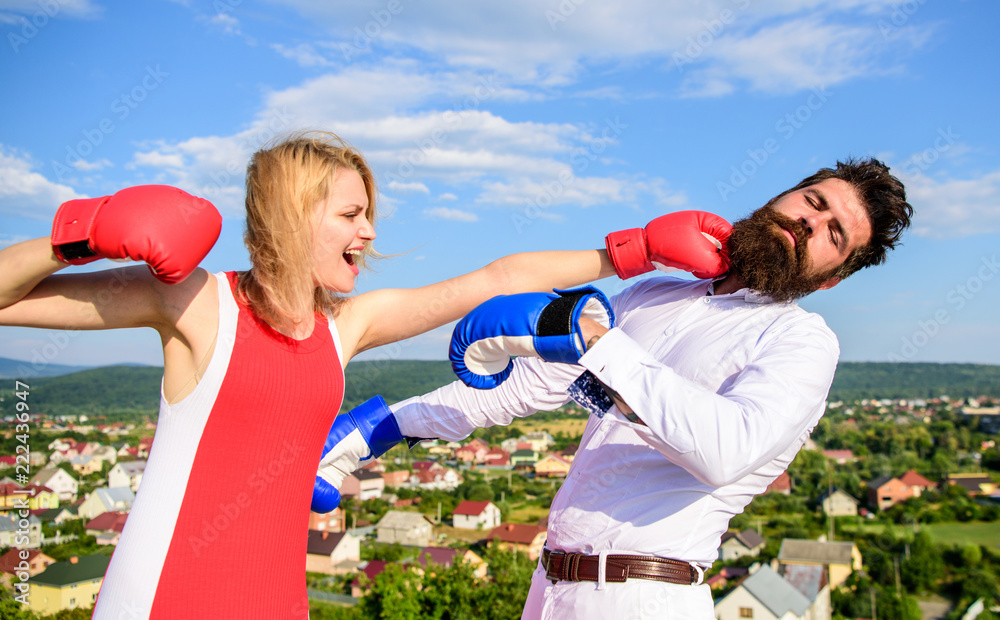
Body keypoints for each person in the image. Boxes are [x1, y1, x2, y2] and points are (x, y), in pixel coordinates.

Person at [0, 131, 730, 619]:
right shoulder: (194, 302)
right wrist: (81, 229)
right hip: (162, 595)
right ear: (295, 215)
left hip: (280, 599)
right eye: (351, 213)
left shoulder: (342, 329)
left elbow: (497, 276)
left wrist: (632, 251)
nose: (369, 231)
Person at [314, 158, 913, 619]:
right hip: (550, 589)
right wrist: (376, 431)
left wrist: (597, 341)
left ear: (831, 279)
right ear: (783, 197)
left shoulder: (801, 339)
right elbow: (522, 387)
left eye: (833, 234)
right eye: (813, 202)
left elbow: (725, 450)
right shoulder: (658, 295)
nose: (810, 222)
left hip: (645, 594)